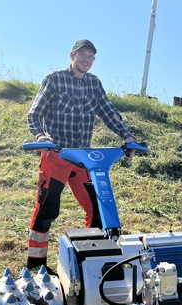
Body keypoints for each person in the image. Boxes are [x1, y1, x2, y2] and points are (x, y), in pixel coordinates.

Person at [26, 39, 134, 268]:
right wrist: (41, 136)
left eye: (91, 57)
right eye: (83, 55)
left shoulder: (94, 84)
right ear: (72, 55)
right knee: (46, 210)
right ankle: (36, 266)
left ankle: (87, 263)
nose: (87, 61)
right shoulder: (54, 79)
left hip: (84, 161)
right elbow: (34, 114)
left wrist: (127, 137)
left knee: (97, 210)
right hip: (57, 156)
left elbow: (109, 112)